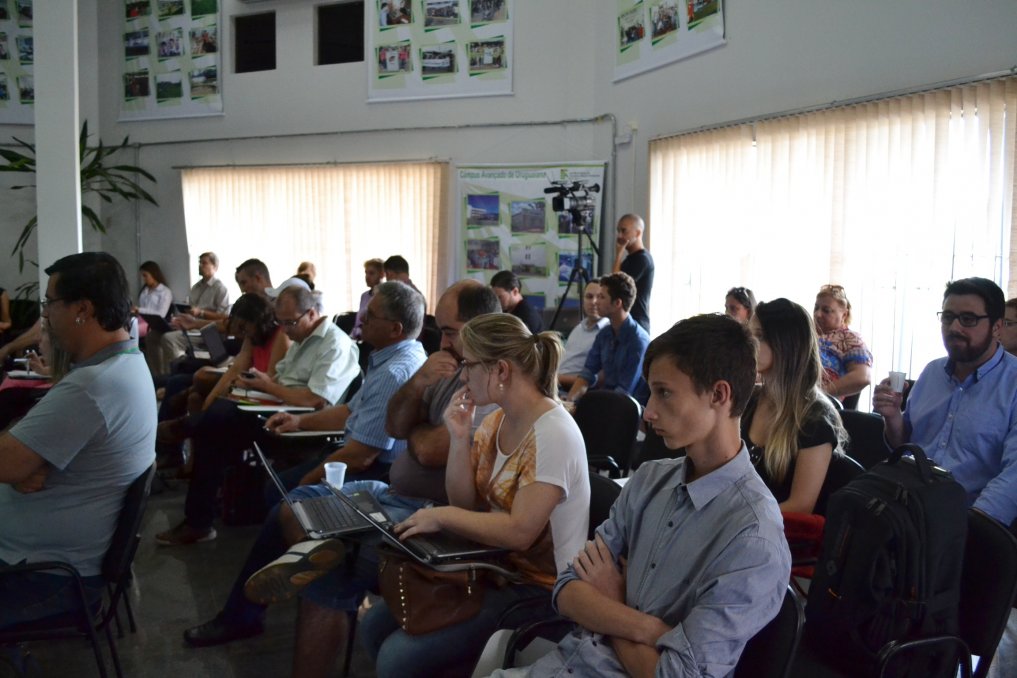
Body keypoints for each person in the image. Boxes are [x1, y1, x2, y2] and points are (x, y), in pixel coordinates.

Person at [496, 314, 790, 677]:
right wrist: (648, 629)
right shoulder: (649, 480)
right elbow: (567, 590)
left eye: (664, 392)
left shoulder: (753, 537)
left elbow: (674, 675)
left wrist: (610, 602)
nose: (648, 411)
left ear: (719, 394)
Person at [180, 281, 432, 653]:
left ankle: (246, 614)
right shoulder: (388, 358)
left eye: (372, 315)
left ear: (395, 328)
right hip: (354, 456)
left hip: (371, 473)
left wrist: (307, 484)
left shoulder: (397, 371)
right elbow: (349, 412)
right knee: (272, 492)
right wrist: (299, 423)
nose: (361, 319)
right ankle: (297, 569)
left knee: (285, 504)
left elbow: (362, 453)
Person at [360, 313, 591, 677]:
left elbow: (519, 531)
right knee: (373, 626)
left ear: (500, 370)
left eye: (469, 365)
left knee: (396, 658)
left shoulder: (554, 433)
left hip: (539, 592)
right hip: (495, 570)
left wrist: (440, 517)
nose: (462, 375)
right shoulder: (499, 419)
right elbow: (464, 504)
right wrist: (458, 437)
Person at [0, 252, 156, 629]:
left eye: (50, 303)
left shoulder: (92, 387)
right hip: (54, 564)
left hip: (43, 577)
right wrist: (24, 461)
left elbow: (6, 462)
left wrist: (19, 462)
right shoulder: (125, 364)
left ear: (82, 309)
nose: (46, 316)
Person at [155, 285, 360, 546]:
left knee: (215, 423)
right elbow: (280, 379)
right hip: (277, 408)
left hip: (301, 423)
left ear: (310, 313)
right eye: (281, 323)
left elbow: (314, 399)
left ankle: (197, 517)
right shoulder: (301, 339)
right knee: (216, 422)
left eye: (290, 323)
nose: (285, 330)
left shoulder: (335, 344)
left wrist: (266, 386)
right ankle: (199, 519)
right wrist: (258, 382)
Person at [872, 277, 1017, 527]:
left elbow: (1013, 476)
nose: (954, 328)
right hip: (907, 506)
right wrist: (893, 416)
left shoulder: (1012, 383)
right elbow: (906, 444)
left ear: (997, 327)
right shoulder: (933, 372)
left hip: (967, 517)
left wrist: (971, 525)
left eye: (968, 319)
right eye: (948, 317)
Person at [744, 298, 846, 514]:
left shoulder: (816, 419)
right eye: (750, 334)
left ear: (786, 345)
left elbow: (800, 507)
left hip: (778, 537)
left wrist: (734, 523)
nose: (750, 343)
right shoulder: (749, 399)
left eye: (760, 336)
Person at [156, 293, 291, 450]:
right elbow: (235, 368)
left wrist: (233, 386)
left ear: (258, 321)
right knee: (194, 396)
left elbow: (270, 379)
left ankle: (184, 427)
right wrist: (208, 403)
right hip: (249, 385)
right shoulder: (252, 336)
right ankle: (185, 458)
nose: (241, 333)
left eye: (243, 327)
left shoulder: (280, 335)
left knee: (205, 386)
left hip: (263, 394)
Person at [566, 272, 650, 405]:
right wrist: (569, 402)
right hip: (608, 400)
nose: (596, 302)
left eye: (601, 297)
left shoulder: (638, 341)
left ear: (617, 303)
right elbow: (587, 374)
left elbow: (625, 391)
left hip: (628, 410)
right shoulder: (604, 334)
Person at [151, 252, 231, 375]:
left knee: (168, 339)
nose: (200, 265)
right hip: (190, 325)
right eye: (199, 262)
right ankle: (158, 374)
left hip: (206, 331)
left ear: (215, 267)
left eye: (204, 263)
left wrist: (201, 313)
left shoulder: (220, 289)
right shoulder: (196, 287)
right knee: (153, 336)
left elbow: (223, 317)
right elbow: (190, 308)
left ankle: (177, 373)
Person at [814, 284, 873, 403]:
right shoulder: (808, 334)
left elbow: (863, 377)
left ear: (844, 315)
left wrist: (819, 394)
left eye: (826, 310)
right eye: (816, 308)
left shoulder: (850, 338)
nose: (817, 314)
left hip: (820, 406)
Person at [559, 281, 609, 389]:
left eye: (600, 297)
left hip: (575, 390)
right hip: (557, 385)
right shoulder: (578, 328)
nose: (594, 302)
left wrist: (557, 379)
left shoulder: (608, 332)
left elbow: (599, 379)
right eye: (589, 297)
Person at [611, 214, 654, 333]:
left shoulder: (642, 259)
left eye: (624, 231)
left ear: (638, 233)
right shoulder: (631, 258)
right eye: (618, 231)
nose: (619, 236)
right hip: (627, 322)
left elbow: (615, 285)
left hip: (637, 324)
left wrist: (619, 254)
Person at [351, 257, 385, 340]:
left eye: (371, 273)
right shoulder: (364, 296)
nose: (367, 277)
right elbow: (358, 322)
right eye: (366, 273)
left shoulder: (385, 295)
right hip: (359, 337)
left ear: (382, 274)